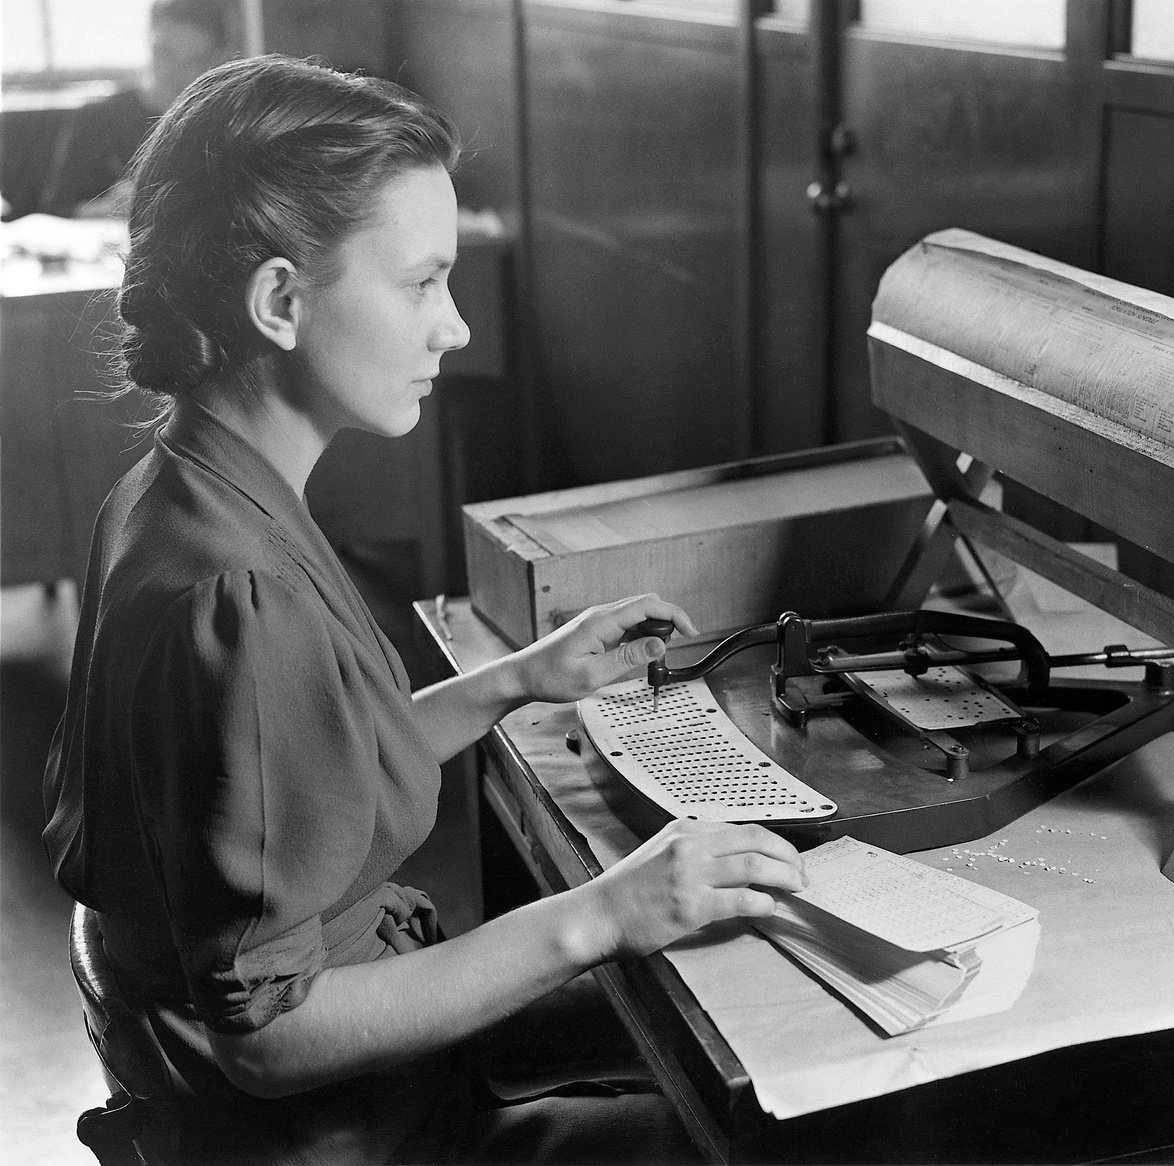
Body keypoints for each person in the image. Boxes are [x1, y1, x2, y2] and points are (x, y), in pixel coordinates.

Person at [41, 55, 807, 1164]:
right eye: (419, 283)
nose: (453, 328)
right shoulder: (238, 593)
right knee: (769, 1126)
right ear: (280, 301)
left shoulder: (180, 491)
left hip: (326, 1081)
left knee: (725, 1000)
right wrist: (601, 911)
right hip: (335, 1125)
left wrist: (514, 679)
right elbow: (270, 1036)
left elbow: (289, 766)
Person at [40, 0, 235, 218]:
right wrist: (111, 207)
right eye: (165, 52)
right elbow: (56, 210)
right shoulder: (98, 117)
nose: (168, 67)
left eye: (193, 61)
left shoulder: (224, 122)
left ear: (216, 59)